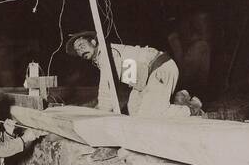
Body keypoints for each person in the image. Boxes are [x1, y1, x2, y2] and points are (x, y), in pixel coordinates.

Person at [64, 32, 192, 117]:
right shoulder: (101, 58)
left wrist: (100, 112)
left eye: (81, 45)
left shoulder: (107, 53)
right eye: (77, 50)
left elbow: (106, 89)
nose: (80, 50)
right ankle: (180, 99)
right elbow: (127, 82)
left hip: (161, 68)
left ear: (93, 42)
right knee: (134, 109)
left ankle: (191, 110)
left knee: (149, 115)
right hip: (146, 79)